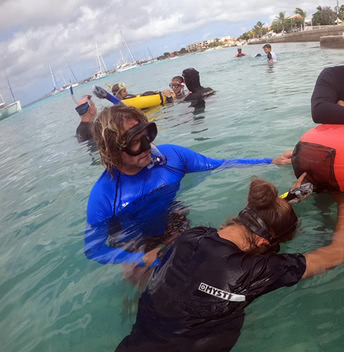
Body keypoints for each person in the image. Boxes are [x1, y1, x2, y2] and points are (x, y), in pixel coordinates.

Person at [85, 178, 344, 352]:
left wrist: (283, 203)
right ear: (265, 244)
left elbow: (235, 235)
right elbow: (340, 252)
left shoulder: (190, 237)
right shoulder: (253, 271)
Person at [85, 106, 293, 287]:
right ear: (112, 150)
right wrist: (139, 258)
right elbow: (94, 250)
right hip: (135, 242)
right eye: (134, 143)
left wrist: (271, 161)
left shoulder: (172, 157)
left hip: (173, 221)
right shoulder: (103, 197)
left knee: (211, 267)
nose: (147, 146)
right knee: (148, 288)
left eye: (147, 135)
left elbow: (220, 165)